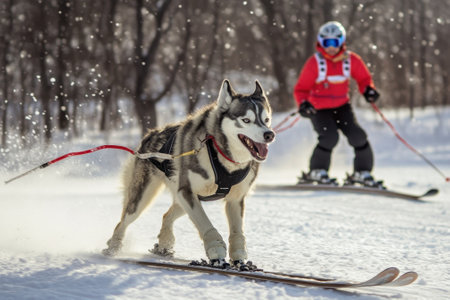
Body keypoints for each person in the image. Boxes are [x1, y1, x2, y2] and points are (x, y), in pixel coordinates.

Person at [293, 21, 381, 186]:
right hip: (319, 109)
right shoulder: (315, 63)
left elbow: (364, 79)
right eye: (327, 42)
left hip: (342, 107)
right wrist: (303, 104)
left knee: (358, 136)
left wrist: (369, 90)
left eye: (335, 42)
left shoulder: (351, 60)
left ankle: (362, 173)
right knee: (329, 137)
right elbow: (301, 89)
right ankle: (316, 172)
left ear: (341, 42)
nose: (331, 47)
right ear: (321, 42)